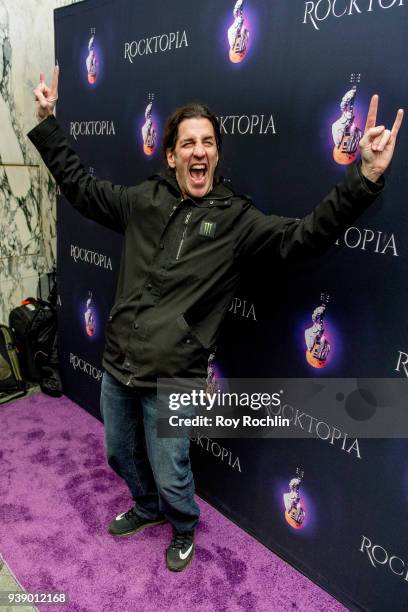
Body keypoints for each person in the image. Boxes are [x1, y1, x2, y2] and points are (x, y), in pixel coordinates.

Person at [29, 66, 403, 571]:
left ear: (217, 154)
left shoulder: (236, 219)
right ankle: (145, 508)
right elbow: (78, 187)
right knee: (119, 452)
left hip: (176, 373)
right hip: (118, 360)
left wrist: (364, 178)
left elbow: (305, 236)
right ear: (171, 156)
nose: (198, 151)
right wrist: (48, 121)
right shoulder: (143, 201)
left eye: (207, 142)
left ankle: (182, 525)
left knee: (173, 471)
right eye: (188, 143)